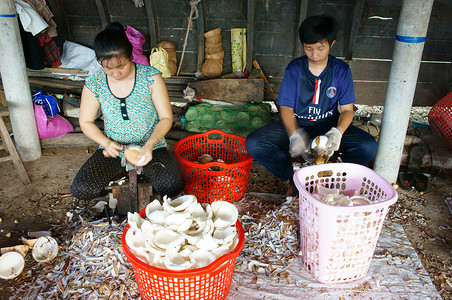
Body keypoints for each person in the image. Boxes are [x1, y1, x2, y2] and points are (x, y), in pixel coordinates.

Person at [246, 15, 378, 196]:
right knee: (254, 143)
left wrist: (337, 132)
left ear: (332, 44)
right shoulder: (295, 69)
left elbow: (347, 110)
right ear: (303, 46)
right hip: (298, 124)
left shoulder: (341, 70)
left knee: (368, 146)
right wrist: (294, 133)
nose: (314, 55)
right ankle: (293, 177)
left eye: (320, 48)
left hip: (328, 126)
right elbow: (285, 107)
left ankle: (336, 177)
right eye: (309, 48)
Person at [71, 22, 184, 201]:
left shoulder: (150, 77)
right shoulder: (95, 83)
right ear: (100, 62)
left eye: (121, 66)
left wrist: (150, 144)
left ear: (130, 56)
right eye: (108, 68)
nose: (116, 73)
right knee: (81, 189)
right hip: (114, 149)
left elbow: (165, 117)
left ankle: (148, 178)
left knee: (171, 186)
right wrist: (106, 143)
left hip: (150, 147)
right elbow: (85, 122)